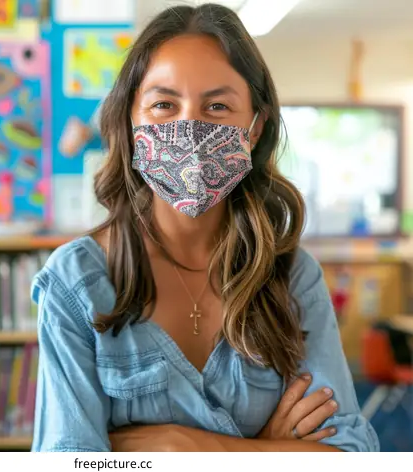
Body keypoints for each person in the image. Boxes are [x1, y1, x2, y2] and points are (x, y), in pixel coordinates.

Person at [31, 3, 379, 452]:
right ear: (130, 121)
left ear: (255, 128)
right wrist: (270, 450)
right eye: (163, 104)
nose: (189, 128)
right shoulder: (76, 283)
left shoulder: (291, 275)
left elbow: (350, 452)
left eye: (217, 106)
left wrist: (183, 446)